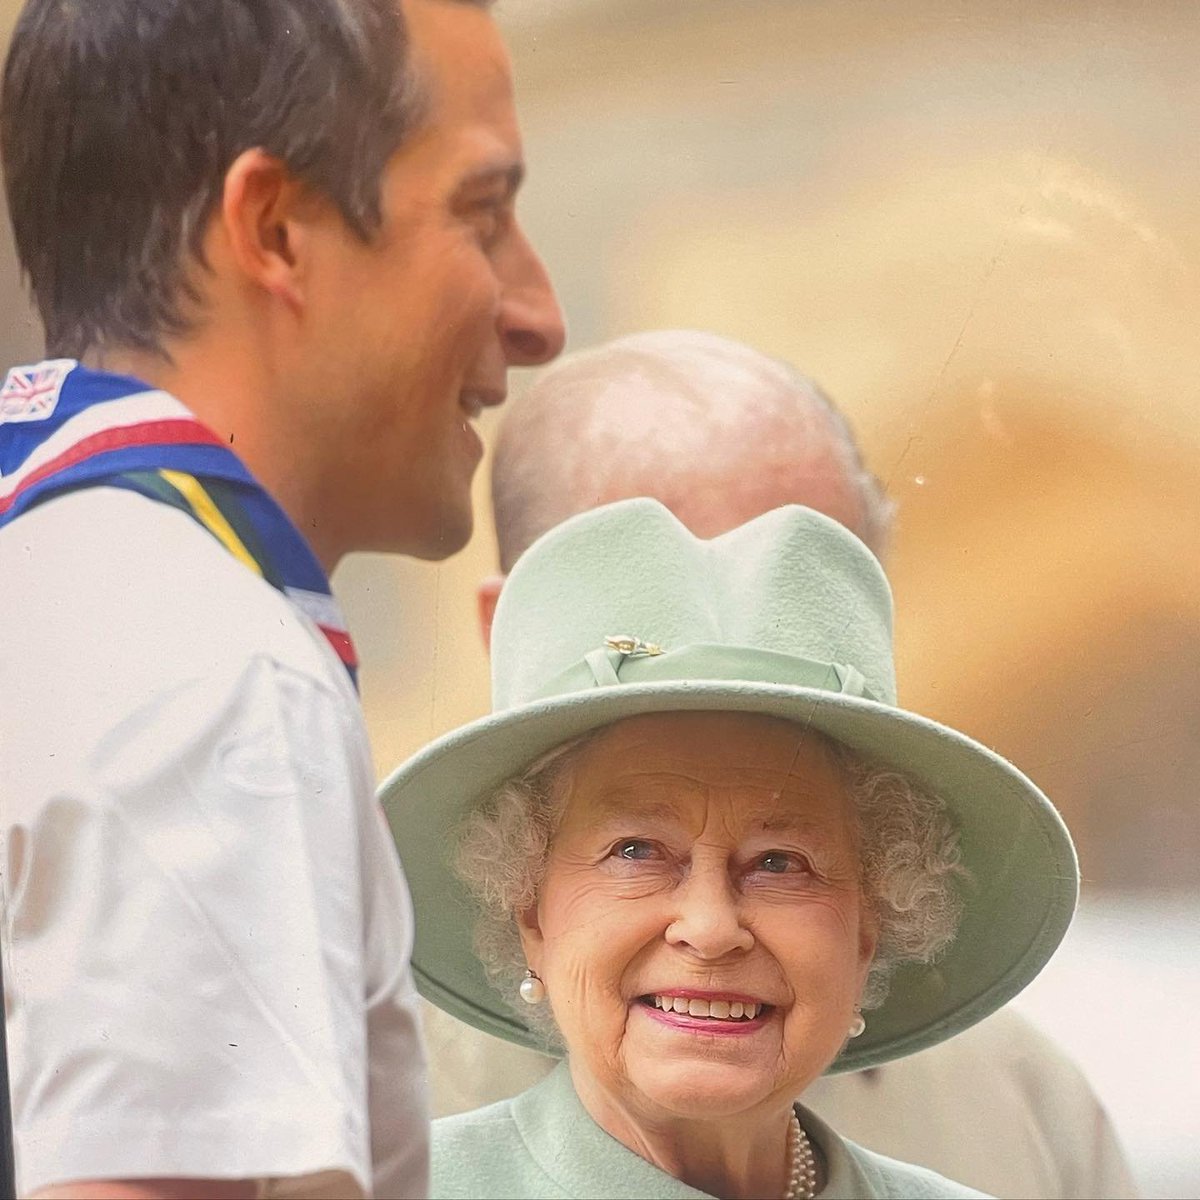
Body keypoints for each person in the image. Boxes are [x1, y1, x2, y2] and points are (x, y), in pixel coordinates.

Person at [0, 1, 563, 1197]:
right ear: (275, 228)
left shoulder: (66, 584)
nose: (538, 315)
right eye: (483, 212)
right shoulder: (207, 667)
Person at [423, 330, 1137, 1199]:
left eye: (781, 863)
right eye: (637, 851)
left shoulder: (1026, 1111)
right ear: (524, 902)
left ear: (873, 917)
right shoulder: (384, 1166)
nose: (712, 927)